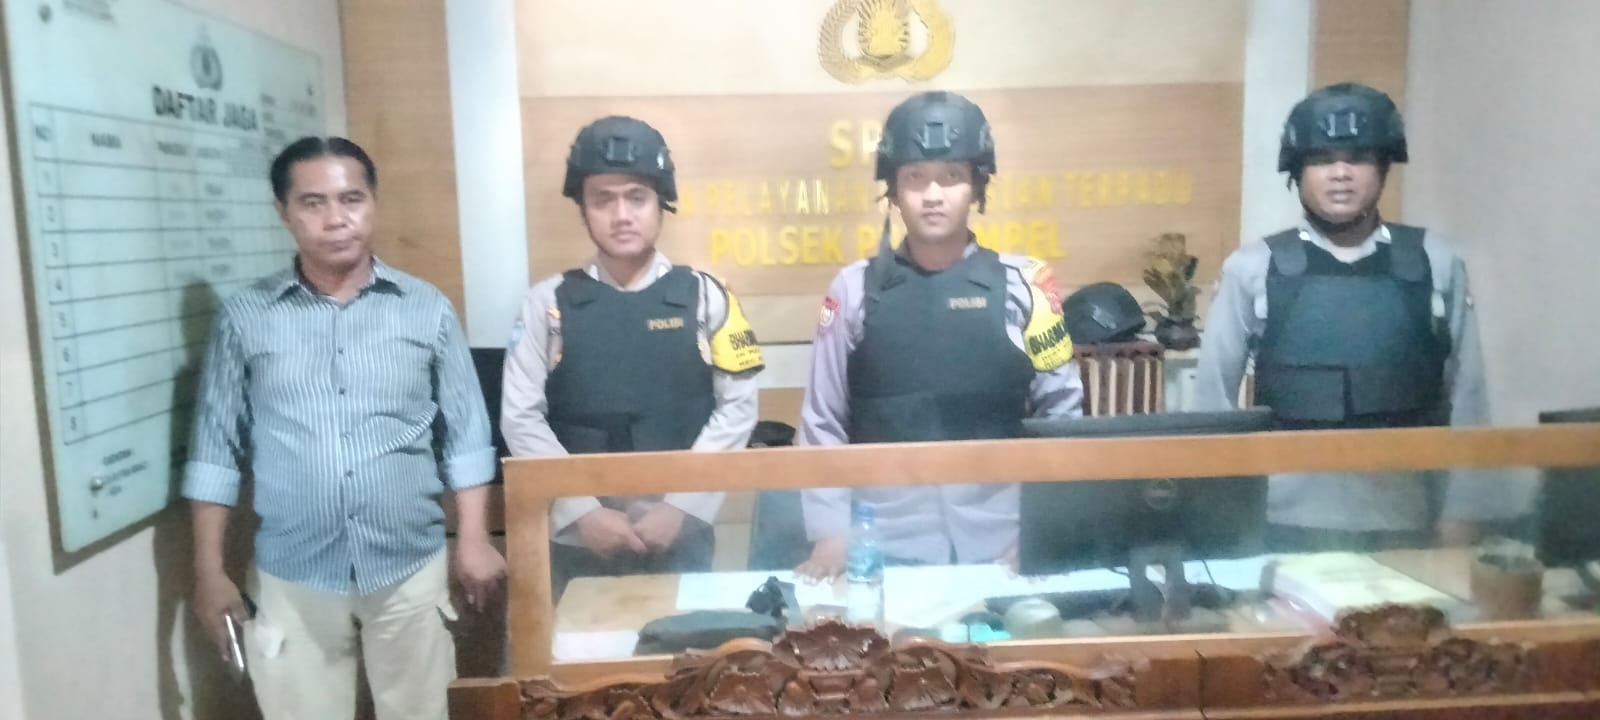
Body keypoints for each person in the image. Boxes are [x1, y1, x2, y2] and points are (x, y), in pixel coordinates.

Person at [184, 136, 504, 720]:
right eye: (313, 203)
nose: (336, 219)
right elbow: (214, 451)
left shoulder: (425, 308)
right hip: (293, 572)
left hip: (409, 565)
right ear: (283, 211)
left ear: (373, 203)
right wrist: (209, 571)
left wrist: (475, 539)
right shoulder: (246, 318)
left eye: (351, 199)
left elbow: (466, 434)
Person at [1194, 82, 1513, 551]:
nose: (1340, 173)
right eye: (1322, 159)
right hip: (1280, 521)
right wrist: (1217, 514)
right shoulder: (1253, 266)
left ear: (1383, 167)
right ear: (1298, 171)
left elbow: (1469, 397)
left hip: (1405, 519)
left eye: (1359, 157)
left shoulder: (1436, 261)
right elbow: (1211, 402)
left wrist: (1465, 512)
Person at [795, 91, 1085, 579]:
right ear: (893, 190)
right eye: (915, 177)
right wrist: (831, 534)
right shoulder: (852, 290)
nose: (933, 194)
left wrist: (1044, 530)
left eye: (952, 176)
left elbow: (1064, 417)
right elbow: (822, 424)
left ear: (977, 186)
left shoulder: (1028, 287)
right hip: (881, 550)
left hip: (1005, 548)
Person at [501, 116, 764, 594]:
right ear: (582, 209)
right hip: (577, 544)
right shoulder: (546, 304)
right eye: (603, 199)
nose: (621, 215)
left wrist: (681, 507)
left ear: (661, 202)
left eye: (637, 197)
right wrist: (581, 512)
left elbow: (738, 410)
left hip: (682, 538)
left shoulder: (709, 297)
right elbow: (520, 418)